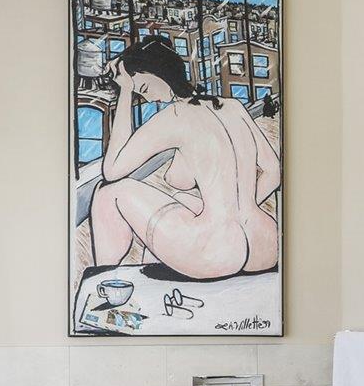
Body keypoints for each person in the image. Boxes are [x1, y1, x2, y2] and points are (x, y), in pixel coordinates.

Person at [86, 37, 280, 280]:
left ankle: (103, 281)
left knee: (107, 193)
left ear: (162, 72)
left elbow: (112, 170)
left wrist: (125, 90)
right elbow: (273, 171)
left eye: (144, 89)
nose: (147, 99)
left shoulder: (174, 116)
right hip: (264, 242)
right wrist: (237, 210)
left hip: (217, 252)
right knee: (181, 199)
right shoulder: (232, 106)